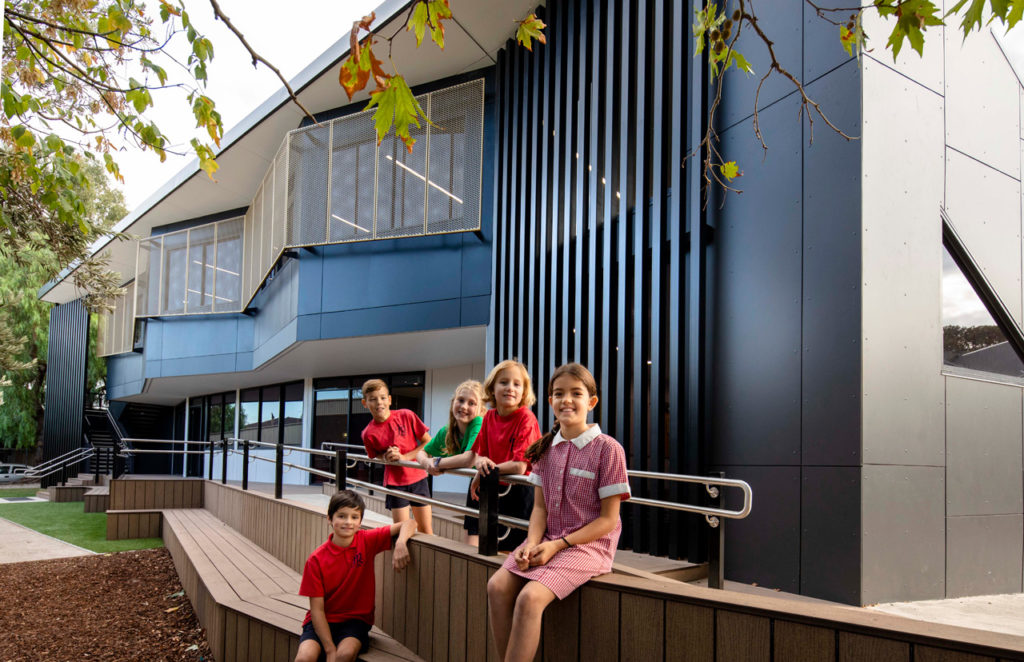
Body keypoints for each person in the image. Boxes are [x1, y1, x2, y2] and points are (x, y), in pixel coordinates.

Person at [485, 363, 630, 662]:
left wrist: (557, 545)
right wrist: (533, 543)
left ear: (591, 402)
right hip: (547, 539)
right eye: (559, 393)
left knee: (529, 598)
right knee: (496, 586)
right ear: (549, 401)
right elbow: (540, 507)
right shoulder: (544, 449)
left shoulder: (608, 449)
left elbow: (608, 520)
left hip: (587, 547)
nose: (567, 400)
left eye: (576, 393)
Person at [294, 490, 417, 662]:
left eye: (354, 517)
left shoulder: (366, 540)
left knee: (344, 655)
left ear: (360, 521)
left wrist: (401, 542)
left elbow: (410, 523)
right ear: (329, 519)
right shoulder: (316, 559)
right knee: (304, 658)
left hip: (355, 621)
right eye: (342, 516)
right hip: (322, 621)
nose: (348, 522)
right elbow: (317, 610)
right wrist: (329, 650)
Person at [439, 359, 540, 550]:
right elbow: (479, 456)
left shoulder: (526, 418)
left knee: (513, 551)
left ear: (524, 392)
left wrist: (483, 470)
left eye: (516, 384)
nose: (510, 388)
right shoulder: (489, 417)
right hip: (492, 487)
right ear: (492, 388)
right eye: (504, 382)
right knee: (484, 546)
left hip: (518, 491)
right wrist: (482, 463)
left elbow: (519, 466)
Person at [414, 379, 485, 544]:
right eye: (460, 400)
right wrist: (427, 464)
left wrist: (437, 463)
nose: (464, 406)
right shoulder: (448, 430)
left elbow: (469, 459)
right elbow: (421, 452)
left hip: (499, 486)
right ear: (453, 402)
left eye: (471, 403)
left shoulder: (478, 422)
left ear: (481, 409)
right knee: (470, 546)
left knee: (500, 548)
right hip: (477, 486)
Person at [360, 378, 434, 535]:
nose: (379, 402)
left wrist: (405, 457)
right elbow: (374, 455)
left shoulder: (406, 415)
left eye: (382, 397)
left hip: (418, 479)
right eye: (372, 399)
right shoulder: (367, 433)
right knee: (403, 531)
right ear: (365, 403)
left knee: (426, 530)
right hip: (395, 483)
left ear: (390, 400)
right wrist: (386, 457)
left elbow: (428, 442)